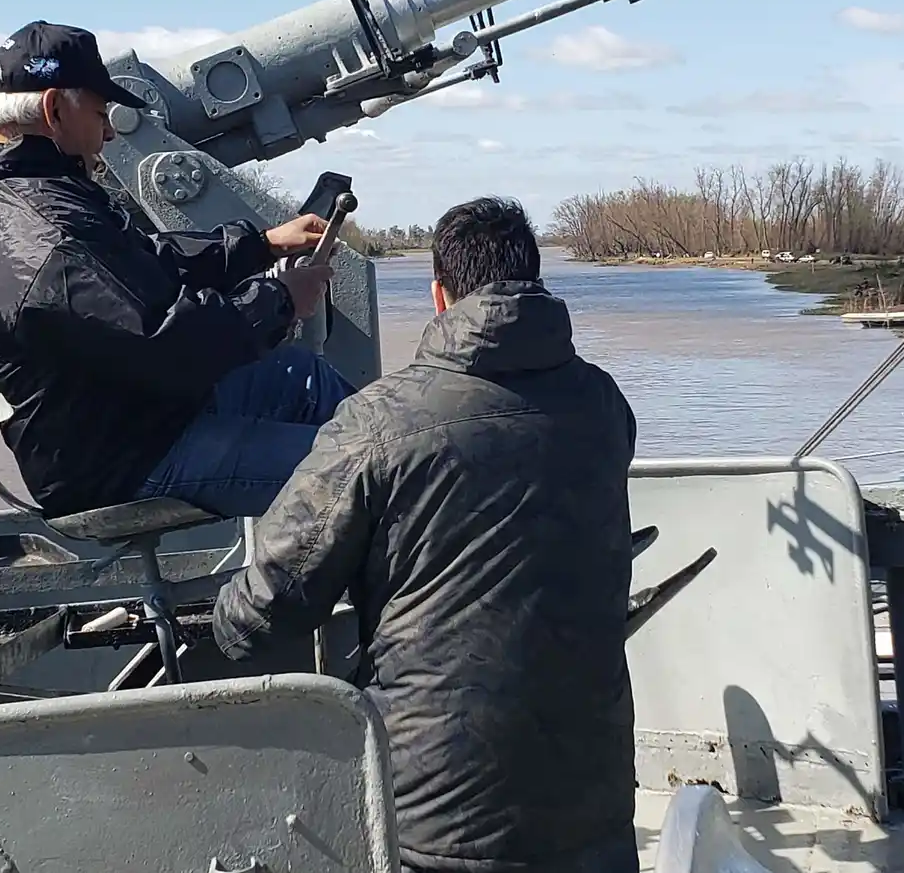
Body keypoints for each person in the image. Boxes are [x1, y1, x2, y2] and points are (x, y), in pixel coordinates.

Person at [212, 197, 639, 873]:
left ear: (439, 295)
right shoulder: (605, 404)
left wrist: (220, 614)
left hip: (437, 824)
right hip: (597, 806)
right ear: (536, 282)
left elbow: (264, 613)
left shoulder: (377, 423)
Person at [0, 20, 353, 522]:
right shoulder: (46, 235)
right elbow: (168, 343)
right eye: (100, 114)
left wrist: (260, 245)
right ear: (53, 109)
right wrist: (281, 300)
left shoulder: (11, 190)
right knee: (365, 470)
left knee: (304, 379)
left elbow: (142, 264)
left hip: (126, 413)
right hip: (120, 459)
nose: (109, 132)